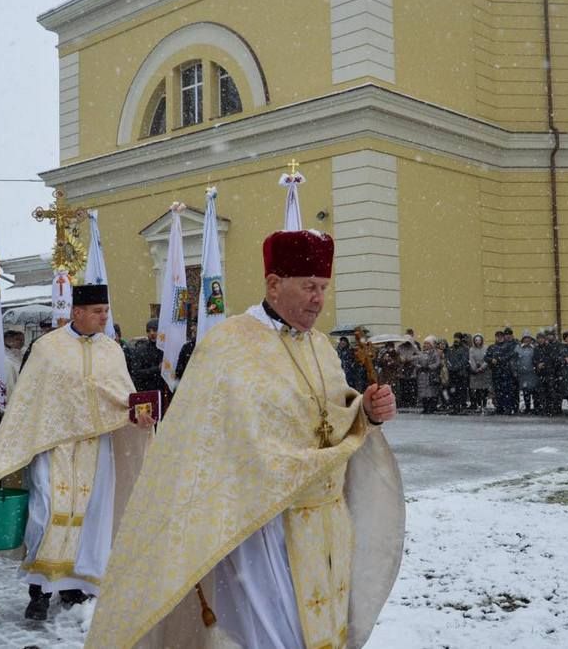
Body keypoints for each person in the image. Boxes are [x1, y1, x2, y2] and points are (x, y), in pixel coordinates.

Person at [85, 229, 402, 649]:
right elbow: (202, 439)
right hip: (263, 526)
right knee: (273, 637)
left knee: (325, 632)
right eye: (308, 286)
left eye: (324, 287)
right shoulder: (229, 344)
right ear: (274, 284)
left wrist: (366, 410)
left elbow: (333, 413)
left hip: (326, 522)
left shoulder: (321, 346)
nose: (318, 299)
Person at [0, 284, 154, 621]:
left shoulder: (112, 350)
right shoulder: (48, 349)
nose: (104, 316)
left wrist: (137, 416)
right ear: (77, 312)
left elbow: (122, 396)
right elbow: (31, 400)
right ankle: (38, 589)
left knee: (91, 516)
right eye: (97, 311)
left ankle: (75, 584)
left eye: (105, 311)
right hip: (54, 445)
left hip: (97, 447)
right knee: (48, 513)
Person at [126, 318, 166, 394]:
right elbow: (136, 373)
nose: (152, 333)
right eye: (149, 331)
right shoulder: (141, 350)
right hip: (148, 392)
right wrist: (157, 369)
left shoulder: (166, 349)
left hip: (164, 393)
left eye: (154, 330)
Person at [512, 331, 538, 413]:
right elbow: (514, 361)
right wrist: (514, 370)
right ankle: (527, 408)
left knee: (534, 391)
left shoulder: (534, 348)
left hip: (533, 373)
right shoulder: (518, 348)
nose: (527, 340)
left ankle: (536, 408)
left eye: (528, 338)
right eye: (525, 338)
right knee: (525, 391)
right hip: (522, 374)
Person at [415, 336, 442, 413]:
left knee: (432, 393)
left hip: (431, 376)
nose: (425, 345)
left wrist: (429, 367)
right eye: (424, 343)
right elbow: (417, 363)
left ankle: (432, 407)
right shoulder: (420, 353)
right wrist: (420, 367)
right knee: (423, 393)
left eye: (427, 343)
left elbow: (437, 363)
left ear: (431, 345)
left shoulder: (435, 354)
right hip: (422, 376)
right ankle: (425, 408)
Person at [468, 333, 490, 412]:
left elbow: (487, 359)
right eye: (476, 340)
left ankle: (484, 405)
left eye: (479, 340)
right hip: (475, 373)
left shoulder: (486, 348)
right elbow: (471, 360)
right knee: (477, 390)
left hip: (484, 372)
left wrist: (482, 367)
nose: (478, 342)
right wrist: (475, 368)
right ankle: (478, 405)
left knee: (484, 390)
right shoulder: (472, 349)